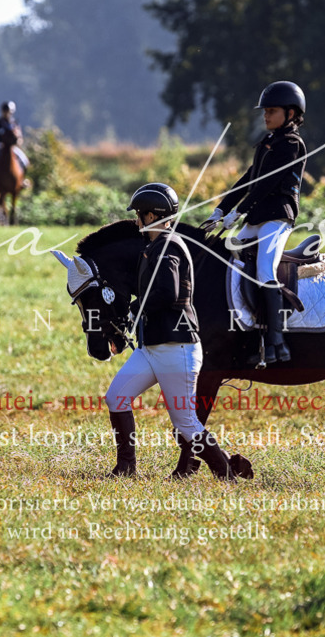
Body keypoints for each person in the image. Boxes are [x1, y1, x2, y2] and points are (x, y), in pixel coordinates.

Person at [105, 183, 245, 481]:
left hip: (175, 348)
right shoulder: (154, 246)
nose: (137, 221)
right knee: (117, 396)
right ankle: (125, 467)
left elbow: (167, 293)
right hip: (152, 348)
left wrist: (137, 307)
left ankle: (226, 474)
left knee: (186, 424)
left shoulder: (168, 247)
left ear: (151, 215)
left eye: (139, 215)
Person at [202, 81, 308, 364]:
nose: (265, 116)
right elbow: (249, 179)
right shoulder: (268, 143)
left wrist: (240, 212)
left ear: (290, 113)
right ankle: (247, 332)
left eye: (271, 111)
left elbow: (268, 183)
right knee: (231, 262)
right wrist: (221, 209)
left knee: (264, 272)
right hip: (258, 216)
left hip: (278, 217)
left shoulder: (292, 145)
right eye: (265, 111)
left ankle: (276, 340)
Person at [0, 101, 30, 171]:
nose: (6, 114)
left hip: (12, 147)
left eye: (8, 111)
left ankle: (23, 179)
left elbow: (20, 138)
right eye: (5, 111)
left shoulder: (15, 124)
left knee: (25, 161)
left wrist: (17, 142)